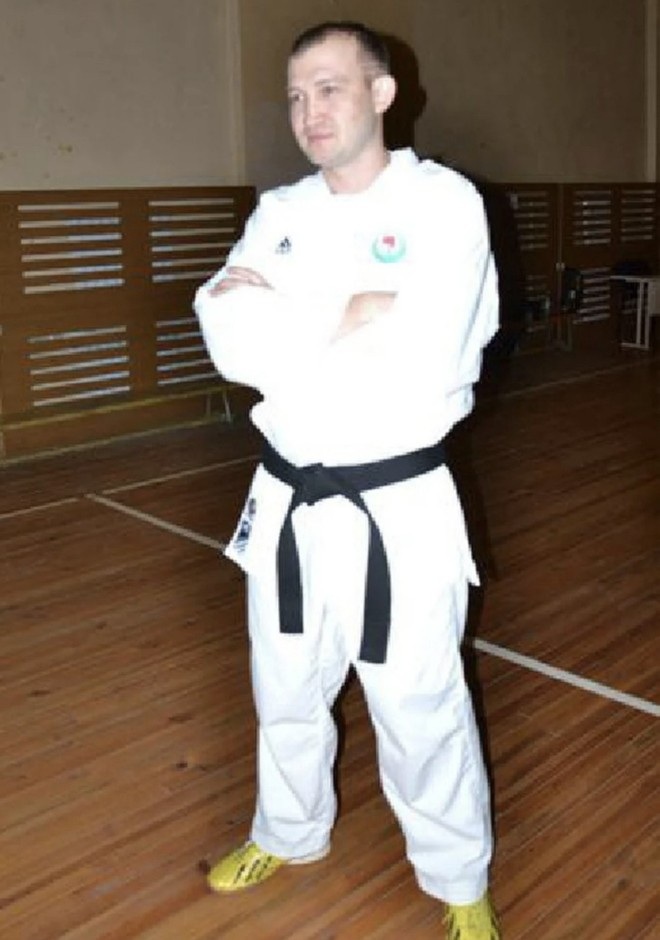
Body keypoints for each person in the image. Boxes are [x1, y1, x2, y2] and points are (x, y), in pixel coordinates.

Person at [194, 20, 500, 940]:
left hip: (396, 505)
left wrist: (289, 323)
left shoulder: (444, 204)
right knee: (284, 686)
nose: (308, 112)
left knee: (419, 702)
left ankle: (459, 879)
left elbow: (423, 356)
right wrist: (352, 310)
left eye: (328, 88)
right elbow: (225, 335)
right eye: (295, 95)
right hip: (288, 498)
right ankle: (289, 833)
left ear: (381, 93)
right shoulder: (280, 213)